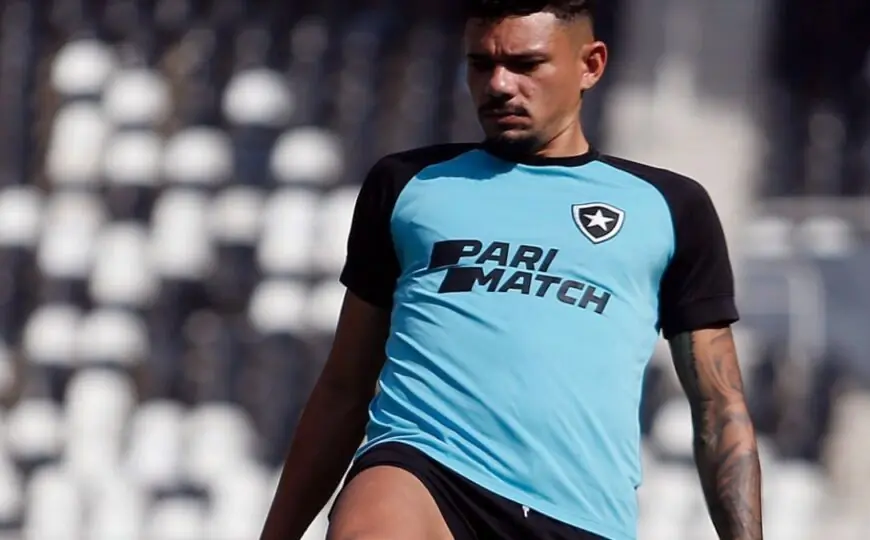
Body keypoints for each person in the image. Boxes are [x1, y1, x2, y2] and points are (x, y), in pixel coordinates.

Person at [259, 1, 763, 539]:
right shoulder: (407, 183)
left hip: (580, 515)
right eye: (481, 64)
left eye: (526, 64)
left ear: (590, 65)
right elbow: (344, 386)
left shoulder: (670, 206)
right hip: (424, 469)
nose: (499, 85)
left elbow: (718, 405)